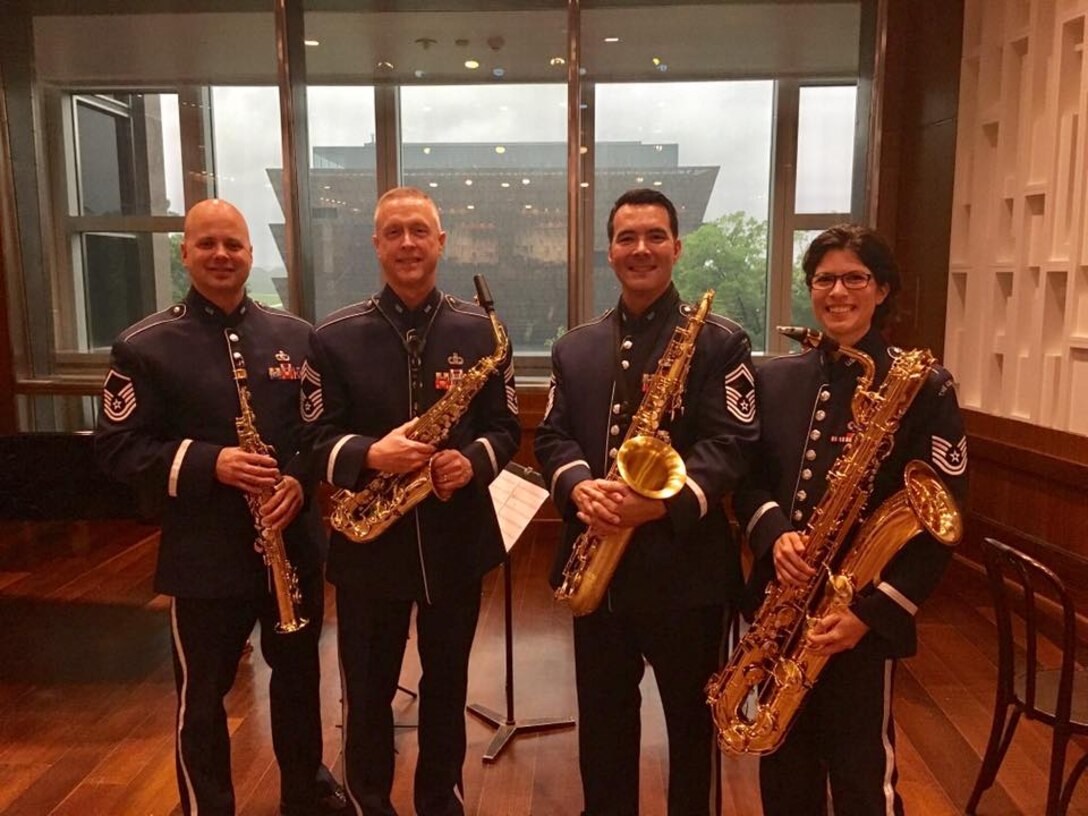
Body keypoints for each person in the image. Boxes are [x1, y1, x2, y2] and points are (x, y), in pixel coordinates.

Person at [95, 199, 347, 816]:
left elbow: (319, 430)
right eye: (206, 244)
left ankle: (303, 796)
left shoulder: (297, 337)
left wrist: (298, 479)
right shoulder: (143, 345)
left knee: (297, 685)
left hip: (293, 546)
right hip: (204, 555)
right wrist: (214, 463)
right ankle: (207, 806)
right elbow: (117, 449)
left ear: (250, 253)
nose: (221, 255)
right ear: (185, 253)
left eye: (232, 244)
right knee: (203, 695)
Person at [534, 188, 759, 815]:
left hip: (688, 577)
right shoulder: (573, 347)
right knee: (602, 730)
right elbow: (552, 436)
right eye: (627, 237)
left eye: (655, 236)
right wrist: (580, 484)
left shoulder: (721, 341)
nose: (641, 249)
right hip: (597, 575)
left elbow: (732, 445)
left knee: (692, 729)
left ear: (677, 248)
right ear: (609, 251)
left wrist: (656, 504)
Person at [733, 224, 969, 815]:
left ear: (882, 289)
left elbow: (945, 514)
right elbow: (748, 480)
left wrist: (872, 614)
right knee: (783, 769)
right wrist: (772, 530)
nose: (838, 292)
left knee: (863, 773)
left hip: (857, 612)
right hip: (782, 605)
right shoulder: (776, 378)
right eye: (824, 279)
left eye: (855, 278)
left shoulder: (924, 386)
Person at [301, 187, 520, 816]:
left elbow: (504, 427)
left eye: (419, 231)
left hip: (456, 542)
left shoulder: (482, 332)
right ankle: (370, 801)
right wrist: (371, 455)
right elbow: (313, 438)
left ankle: (441, 803)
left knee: (447, 687)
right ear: (376, 243)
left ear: (441, 241)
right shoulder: (334, 336)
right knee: (366, 693)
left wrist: (469, 461)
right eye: (393, 232)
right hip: (369, 549)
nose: (407, 243)